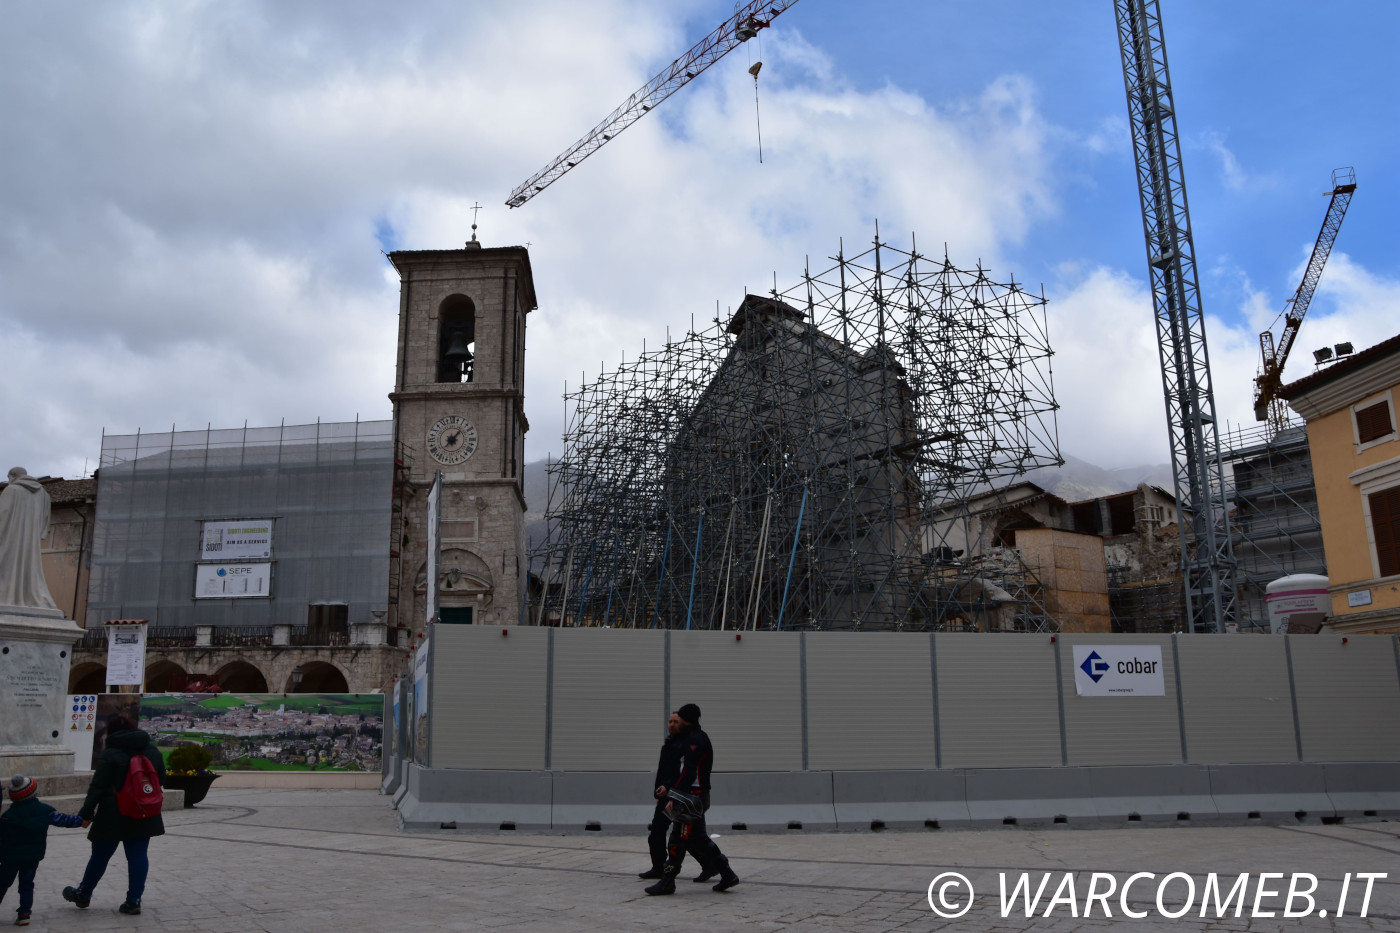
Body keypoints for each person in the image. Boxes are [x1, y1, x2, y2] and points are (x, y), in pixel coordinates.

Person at [63, 714, 165, 916]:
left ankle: (83, 894)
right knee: (138, 855)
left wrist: (86, 813)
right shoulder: (152, 750)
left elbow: (98, 787)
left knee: (99, 856)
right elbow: (161, 778)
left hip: (112, 813)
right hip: (143, 811)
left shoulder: (111, 753)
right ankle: (133, 900)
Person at [644, 703, 740, 896]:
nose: (674, 723)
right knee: (699, 839)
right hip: (695, 795)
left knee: (678, 838)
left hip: (692, 797)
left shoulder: (694, 740)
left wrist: (674, 795)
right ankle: (727, 874)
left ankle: (667, 882)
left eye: (677, 719)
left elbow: (689, 771)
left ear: (685, 720)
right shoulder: (695, 737)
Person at [0, 776, 84, 926]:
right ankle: (24, 913)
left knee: (2, 883)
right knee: (26, 884)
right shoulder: (45, 811)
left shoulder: (7, 817)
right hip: (32, 858)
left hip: (9, 858)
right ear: (33, 793)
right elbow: (63, 820)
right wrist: (81, 822)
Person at [0, 467, 60, 610]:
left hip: (10, 540)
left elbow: (3, 516)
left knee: (6, 567)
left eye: (9, 477)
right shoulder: (44, 494)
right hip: (31, 543)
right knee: (30, 570)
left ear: (13, 476)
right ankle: (27, 598)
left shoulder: (11, 490)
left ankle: (7, 597)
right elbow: (45, 522)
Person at [638, 712, 684, 881]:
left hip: (676, 796)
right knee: (657, 832)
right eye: (670, 721)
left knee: (687, 837)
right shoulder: (669, 743)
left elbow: (681, 773)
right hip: (665, 796)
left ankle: (712, 866)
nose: (671, 724)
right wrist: (658, 792)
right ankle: (658, 867)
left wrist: (668, 788)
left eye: (675, 722)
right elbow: (663, 771)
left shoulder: (682, 745)